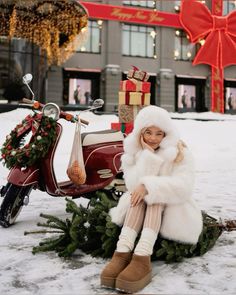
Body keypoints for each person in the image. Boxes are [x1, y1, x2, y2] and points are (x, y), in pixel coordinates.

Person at [100, 105, 203, 293]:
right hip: (140, 206)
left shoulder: (180, 151)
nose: (153, 138)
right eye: (148, 132)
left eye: (159, 133)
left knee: (154, 195)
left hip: (174, 206)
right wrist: (147, 155)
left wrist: (149, 185)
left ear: (166, 134)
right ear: (140, 132)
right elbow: (133, 186)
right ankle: (122, 252)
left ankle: (142, 256)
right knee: (138, 196)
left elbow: (183, 187)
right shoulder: (134, 153)